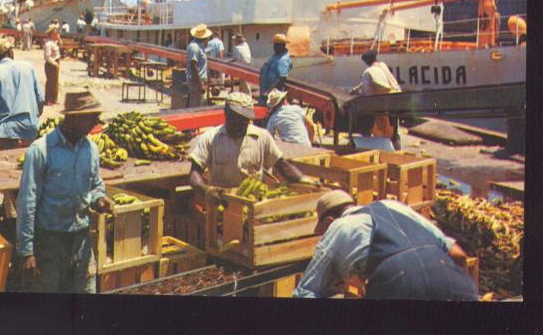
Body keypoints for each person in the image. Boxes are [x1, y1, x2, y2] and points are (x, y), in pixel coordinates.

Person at [294, 190, 478, 300]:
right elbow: (458, 254)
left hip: (397, 282)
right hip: (453, 279)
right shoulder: (394, 206)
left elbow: (305, 292)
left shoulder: (338, 227)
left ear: (328, 220)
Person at [16, 90, 113, 293]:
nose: (97, 122)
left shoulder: (91, 149)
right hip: (50, 242)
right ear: (73, 118)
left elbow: (95, 185)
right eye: (91, 117)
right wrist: (26, 251)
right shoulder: (40, 150)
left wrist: (100, 199)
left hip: (82, 240)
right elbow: (27, 202)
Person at [189, 92, 316, 205]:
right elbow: (194, 174)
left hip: (253, 204)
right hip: (222, 203)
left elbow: (282, 165)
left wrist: (303, 179)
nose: (241, 125)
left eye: (245, 121)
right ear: (226, 113)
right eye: (237, 120)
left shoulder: (262, 137)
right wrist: (206, 190)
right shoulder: (211, 138)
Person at [0, 37, 45, 229]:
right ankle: (26, 218)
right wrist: (33, 118)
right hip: (30, 130)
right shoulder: (28, 67)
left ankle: (16, 220)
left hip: (6, 133)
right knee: (28, 175)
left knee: (9, 177)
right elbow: (40, 99)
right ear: (11, 52)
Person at [349, 49, 402, 144]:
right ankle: (394, 141)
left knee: (377, 120)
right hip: (396, 97)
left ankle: (381, 141)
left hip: (383, 102)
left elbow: (367, 93)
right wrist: (355, 89)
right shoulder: (382, 65)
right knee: (394, 125)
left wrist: (357, 94)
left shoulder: (367, 72)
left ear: (365, 61)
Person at [259, 33, 292, 104]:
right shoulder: (275, 56)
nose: (274, 47)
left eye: (276, 45)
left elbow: (281, 78)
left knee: (271, 111)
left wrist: (269, 91)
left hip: (273, 93)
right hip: (266, 88)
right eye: (274, 45)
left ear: (282, 46)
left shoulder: (283, 60)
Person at [185, 23, 211, 107]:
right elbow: (193, 65)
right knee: (196, 106)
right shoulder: (194, 46)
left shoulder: (200, 46)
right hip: (196, 81)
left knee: (198, 104)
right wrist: (200, 84)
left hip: (198, 80)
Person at [43, 25, 61, 105]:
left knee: (55, 82)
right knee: (50, 82)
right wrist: (55, 64)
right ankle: (48, 100)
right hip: (51, 64)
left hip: (56, 62)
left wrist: (59, 38)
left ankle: (54, 99)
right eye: (55, 33)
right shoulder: (48, 43)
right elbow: (47, 57)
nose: (57, 34)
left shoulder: (54, 42)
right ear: (51, 34)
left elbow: (61, 44)